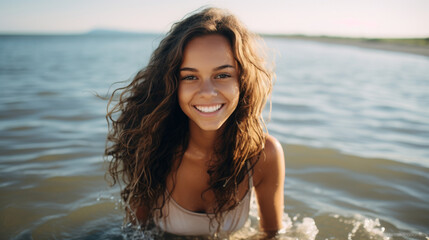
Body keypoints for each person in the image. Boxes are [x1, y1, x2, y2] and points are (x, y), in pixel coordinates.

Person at [105, 7, 285, 237]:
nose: (207, 92)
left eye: (222, 75)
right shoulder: (152, 145)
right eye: (190, 77)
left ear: (243, 81)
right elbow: (134, 233)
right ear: (172, 85)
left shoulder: (264, 154)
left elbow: (272, 234)